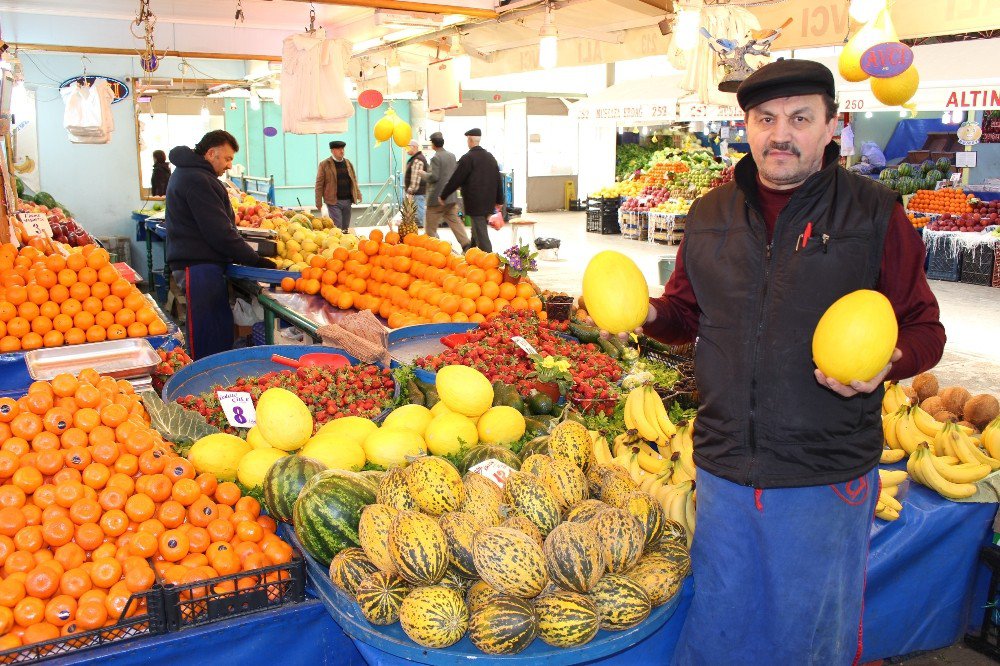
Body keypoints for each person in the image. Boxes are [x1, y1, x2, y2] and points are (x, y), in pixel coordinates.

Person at [641, 60, 946, 665]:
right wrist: (645, 316)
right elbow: (684, 314)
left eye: (800, 118)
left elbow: (925, 328)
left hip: (823, 474)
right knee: (723, 629)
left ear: (831, 126)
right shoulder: (709, 214)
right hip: (725, 467)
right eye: (766, 119)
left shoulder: (873, 212)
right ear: (747, 128)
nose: (781, 133)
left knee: (807, 640)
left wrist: (891, 360)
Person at [165, 130, 275, 361]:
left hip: (202, 264)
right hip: (198, 266)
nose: (229, 165)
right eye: (227, 159)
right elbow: (220, 232)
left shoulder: (190, 174)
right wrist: (255, 260)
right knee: (207, 330)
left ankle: (212, 375)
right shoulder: (197, 179)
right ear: (211, 153)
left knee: (215, 325)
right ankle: (204, 380)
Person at [438, 128, 504, 252]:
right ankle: (469, 253)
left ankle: (489, 261)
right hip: (488, 201)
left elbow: (455, 179)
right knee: (476, 230)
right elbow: (498, 179)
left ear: (470, 140)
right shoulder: (490, 157)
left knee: (482, 235)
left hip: (475, 202)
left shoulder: (467, 158)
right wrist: (499, 200)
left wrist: (443, 195)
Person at [424, 132, 471, 250]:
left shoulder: (435, 158)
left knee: (430, 226)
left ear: (433, 144)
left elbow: (434, 177)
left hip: (436, 199)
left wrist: (423, 174)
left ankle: (432, 249)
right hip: (450, 197)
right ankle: (466, 244)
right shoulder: (452, 156)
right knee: (455, 222)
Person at [315, 140, 361, 231]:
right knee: (337, 226)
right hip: (333, 201)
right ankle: (337, 243)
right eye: (339, 149)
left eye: (343, 149)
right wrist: (318, 202)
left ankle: (344, 243)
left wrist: (358, 194)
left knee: (345, 226)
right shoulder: (324, 164)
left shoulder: (348, 163)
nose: (342, 151)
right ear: (332, 151)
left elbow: (354, 180)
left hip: (347, 200)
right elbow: (319, 184)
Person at [404, 139, 428, 228]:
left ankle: (422, 232)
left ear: (414, 147)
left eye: (408, 147)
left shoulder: (417, 160)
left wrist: (410, 192)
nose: (406, 149)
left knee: (419, 215)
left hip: (418, 193)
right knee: (419, 212)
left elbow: (415, 178)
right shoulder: (416, 159)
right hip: (419, 192)